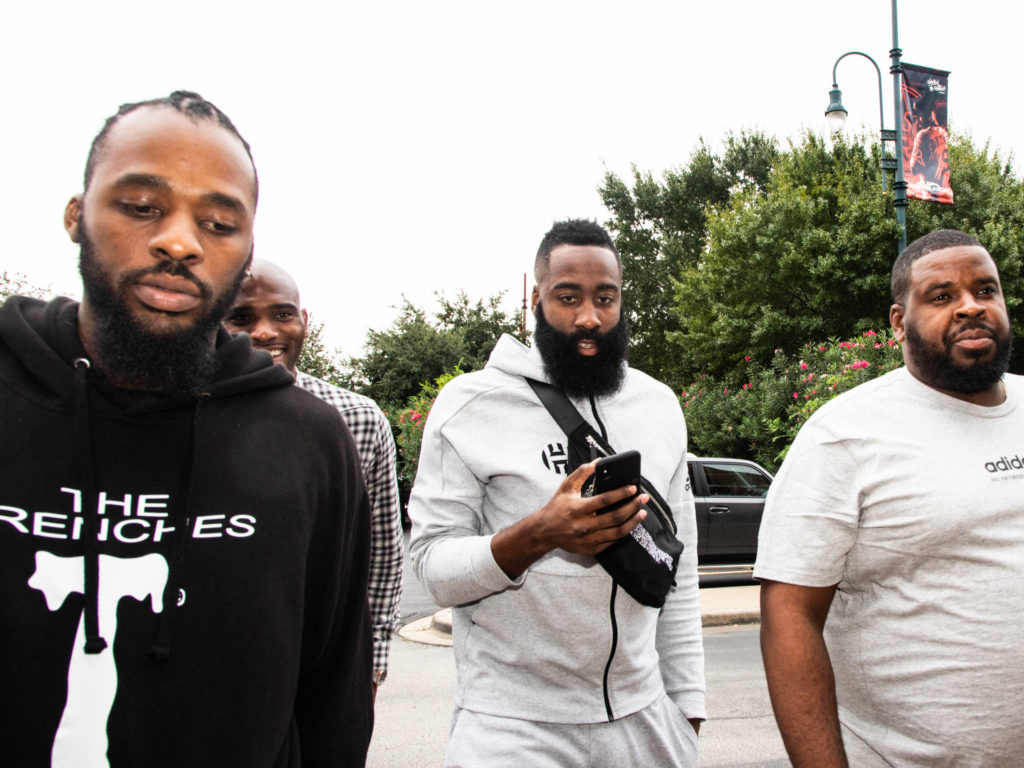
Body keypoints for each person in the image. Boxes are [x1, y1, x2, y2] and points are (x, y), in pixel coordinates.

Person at [0, 91, 373, 766]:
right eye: (142, 207)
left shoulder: (308, 442)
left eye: (220, 222)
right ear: (76, 216)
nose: (179, 241)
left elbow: (332, 702)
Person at [408, 219, 705, 767]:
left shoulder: (659, 405)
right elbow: (430, 566)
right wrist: (537, 534)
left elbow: (678, 572)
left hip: (645, 719)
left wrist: (686, 708)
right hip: (513, 724)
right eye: (567, 297)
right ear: (535, 297)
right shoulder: (470, 405)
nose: (588, 317)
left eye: (605, 298)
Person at [755, 229, 1023, 767]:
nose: (971, 307)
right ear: (899, 321)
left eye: (985, 290)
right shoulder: (843, 435)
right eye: (942, 296)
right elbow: (788, 615)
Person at [225, 259, 403, 696]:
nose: (265, 332)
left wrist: (372, 660)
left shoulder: (356, 419)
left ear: (304, 321)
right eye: (242, 318)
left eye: (282, 314)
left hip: (321, 666)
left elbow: (380, 553)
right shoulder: (188, 417)